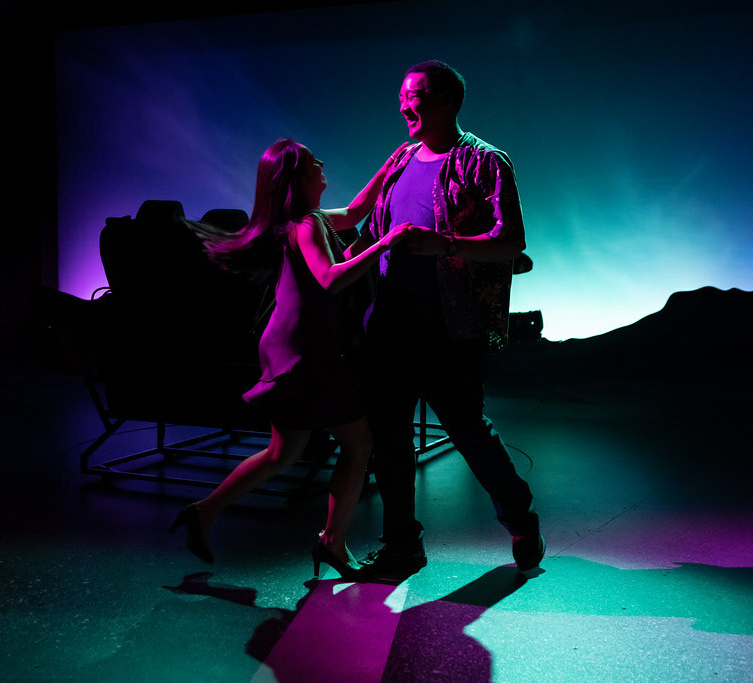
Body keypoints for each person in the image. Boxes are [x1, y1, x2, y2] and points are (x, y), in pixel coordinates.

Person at [170, 138, 415, 580]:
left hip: (291, 345)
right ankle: (333, 544)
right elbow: (328, 280)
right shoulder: (305, 225)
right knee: (358, 444)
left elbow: (357, 212)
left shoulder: (312, 219)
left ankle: (203, 511)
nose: (322, 164)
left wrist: (389, 166)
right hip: (305, 352)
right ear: (297, 180)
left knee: (283, 453)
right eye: (312, 163)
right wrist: (385, 244)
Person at [348, 60, 544, 582]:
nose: (403, 104)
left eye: (416, 95)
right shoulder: (400, 158)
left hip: (450, 326)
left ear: (449, 102)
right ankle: (401, 547)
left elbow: (511, 242)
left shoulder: (484, 162)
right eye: (401, 94)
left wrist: (444, 244)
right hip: (388, 321)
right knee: (390, 438)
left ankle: (520, 518)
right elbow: (358, 221)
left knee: (466, 428)